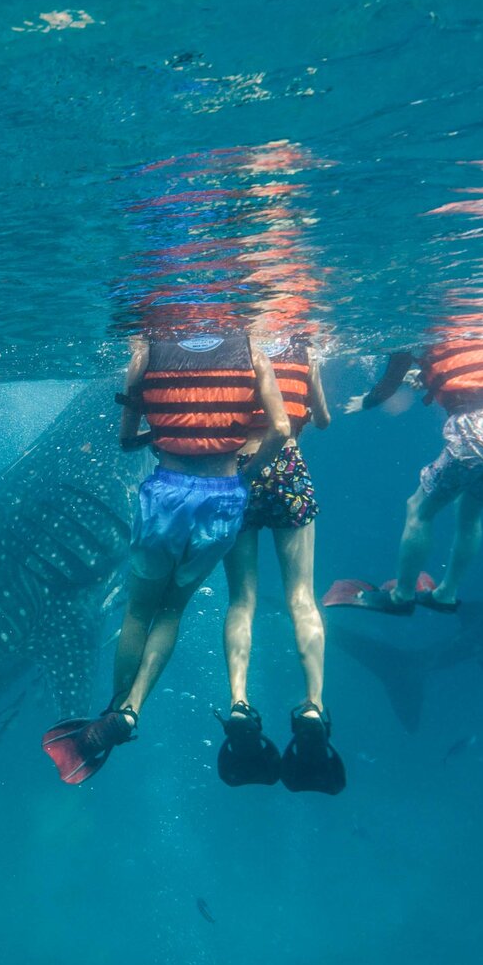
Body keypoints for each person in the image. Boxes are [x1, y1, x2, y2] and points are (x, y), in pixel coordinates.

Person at [41, 306, 304, 786]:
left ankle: (116, 708)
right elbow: (283, 430)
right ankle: (134, 708)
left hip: (166, 494)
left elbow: (125, 440)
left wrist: (154, 433)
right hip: (224, 498)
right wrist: (245, 472)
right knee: (172, 612)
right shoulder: (250, 348)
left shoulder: (145, 350)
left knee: (139, 611)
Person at [330, 316, 483, 615]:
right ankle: (446, 594)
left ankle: (401, 596)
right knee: (470, 511)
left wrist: (369, 402)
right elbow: (473, 372)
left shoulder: (411, 324)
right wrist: (427, 377)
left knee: (419, 509)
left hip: (478, 429)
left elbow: (389, 382)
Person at [215, 319, 341, 792]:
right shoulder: (304, 352)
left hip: (240, 470)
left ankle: (239, 702)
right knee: (302, 598)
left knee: (241, 601)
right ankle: (311, 704)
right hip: (287, 465)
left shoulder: (238, 351)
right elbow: (323, 420)